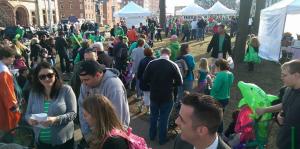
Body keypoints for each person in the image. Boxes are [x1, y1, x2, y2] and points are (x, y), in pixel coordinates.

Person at [25, 62, 77, 148]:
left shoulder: (66, 90)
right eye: (42, 77)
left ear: (55, 75)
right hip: (41, 142)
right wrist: (30, 120)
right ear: (38, 79)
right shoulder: (33, 93)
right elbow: (27, 114)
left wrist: (55, 119)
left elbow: (73, 114)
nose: (46, 79)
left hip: (62, 142)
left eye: (50, 75)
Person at [78, 60, 130, 140]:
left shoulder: (114, 86)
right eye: (82, 80)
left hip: (112, 137)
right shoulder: (85, 85)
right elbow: (82, 109)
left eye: (86, 80)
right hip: (93, 134)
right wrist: (87, 134)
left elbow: (118, 118)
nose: (83, 84)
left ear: (98, 75)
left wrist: (108, 140)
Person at [255, 60, 300, 149]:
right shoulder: (288, 89)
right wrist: (266, 110)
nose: (281, 77)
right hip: (285, 138)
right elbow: (284, 104)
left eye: (284, 75)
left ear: (296, 75)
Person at [143, 48, 183, 145]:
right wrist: (172, 84)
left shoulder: (152, 63)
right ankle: (162, 139)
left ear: (161, 53)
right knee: (164, 118)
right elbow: (180, 82)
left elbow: (144, 79)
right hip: (167, 96)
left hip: (154, 94)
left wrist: (152, 84)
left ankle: (152, 135)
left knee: (154, 116)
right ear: (169, 54)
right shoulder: (173, 65)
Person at [0, 47, 21, 132]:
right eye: (12, 57)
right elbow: (7, 92)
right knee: (9, 127)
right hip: (6, 105)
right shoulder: (3, 71)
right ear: (5, 57)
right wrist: (14, 107)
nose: (14, 59)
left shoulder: (2, 68)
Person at [210, 59, 234, 133]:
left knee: (216, 116)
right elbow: (227, 83)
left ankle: (218, 131)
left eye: (217, 66)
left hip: (217, 98)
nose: (216, 68)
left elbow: (215, 88)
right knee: (221, 114)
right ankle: (220, 131)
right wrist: (215, 76)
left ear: (219, 66)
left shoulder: (220, 75)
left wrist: (211, 83)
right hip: (226, 97)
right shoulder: (230, 74)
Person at [137, 48, 155, 114]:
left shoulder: (142, 60)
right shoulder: (155, 60)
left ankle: (141, 105)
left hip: (144, 80)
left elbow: (139, 71)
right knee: (148, 96)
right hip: (153, 81)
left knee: (146, 95)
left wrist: (139, 78)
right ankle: (148, 109)